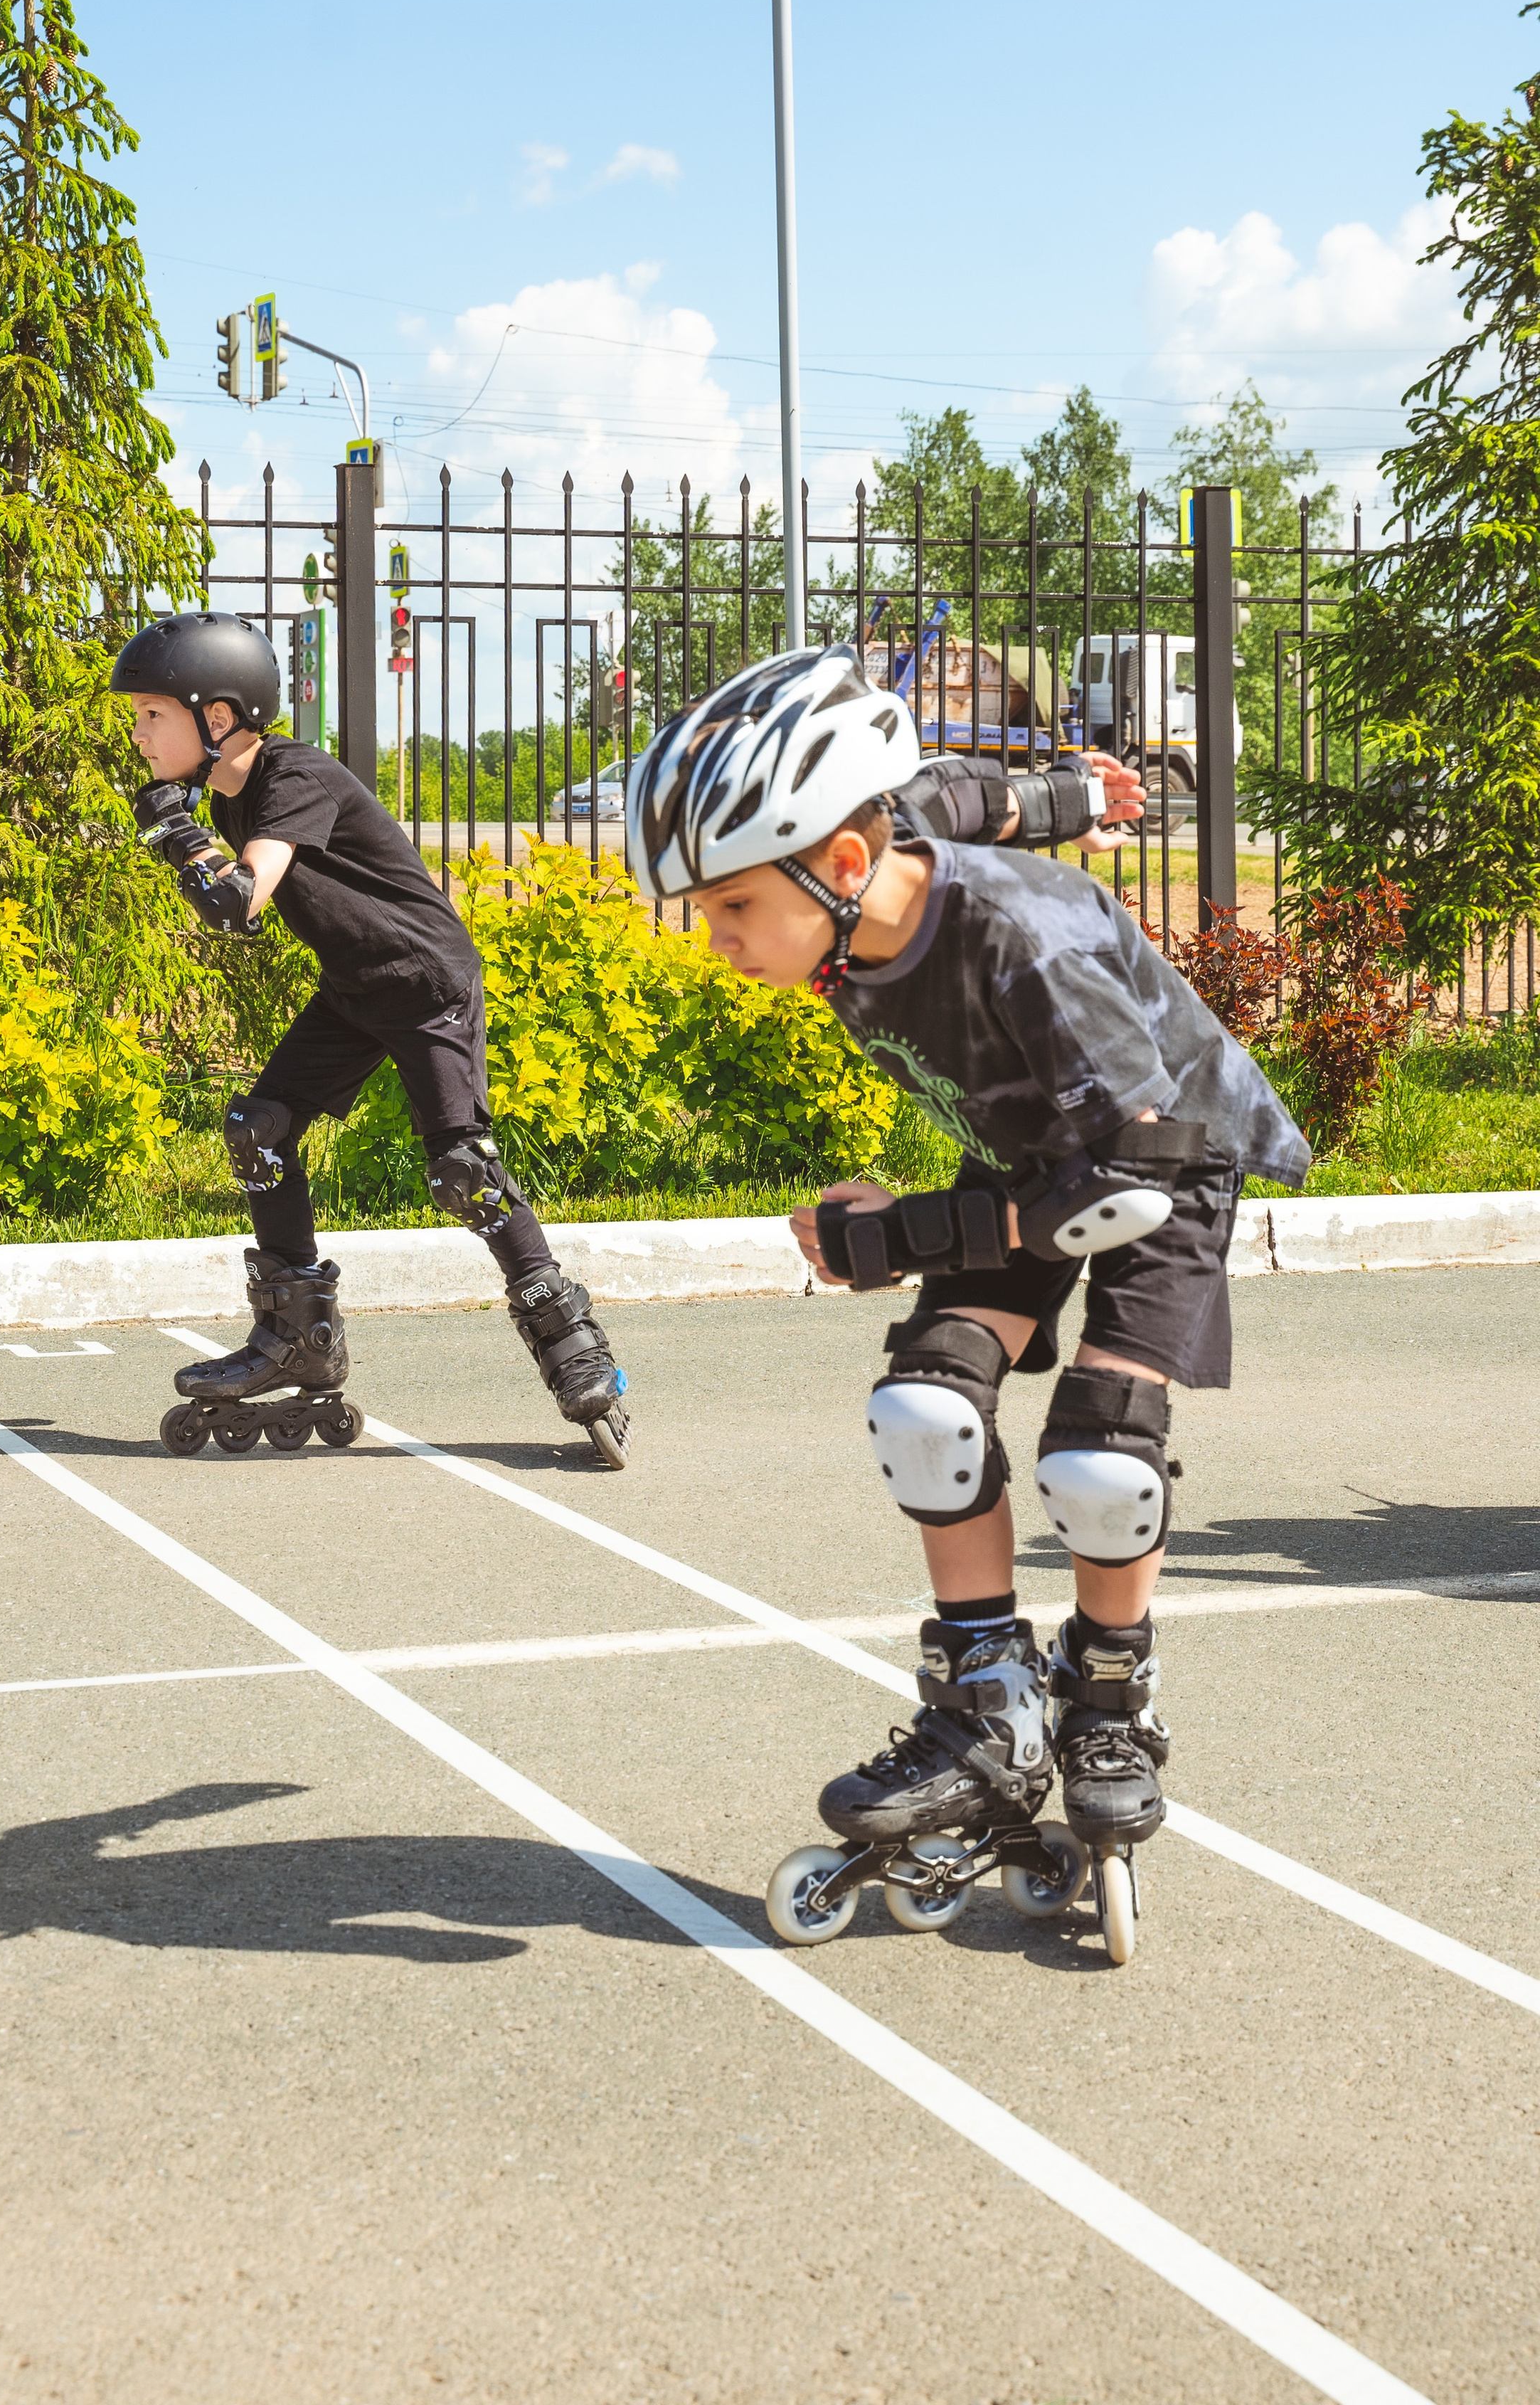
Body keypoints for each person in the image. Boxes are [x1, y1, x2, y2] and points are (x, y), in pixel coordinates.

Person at [624, 643, 1310, 1933]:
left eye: (729, 910)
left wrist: (904, 1236)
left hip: (1162, 1155)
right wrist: (1081, 791)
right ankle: (985, 1705)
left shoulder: (1027, 949)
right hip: (1028, 1149)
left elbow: (1125, 1173)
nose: (715, 943)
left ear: (836, 868)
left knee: (1102, 1461)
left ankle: (1109, 1701)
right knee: (925, 1415)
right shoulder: (877, 852)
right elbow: (948, 791)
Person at [110, 610, 632, 1466]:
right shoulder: (226, 795)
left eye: (151, 715)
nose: (137, 735)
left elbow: (239, 903)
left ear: (216, 717)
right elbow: (232, 901)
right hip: (356, 991)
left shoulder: (292, 775)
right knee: (259, 1132)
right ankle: (296, 1340)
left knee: (464, 1171)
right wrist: (188, 829)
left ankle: (580, 1353)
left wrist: (178, 836)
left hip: (424, 985)